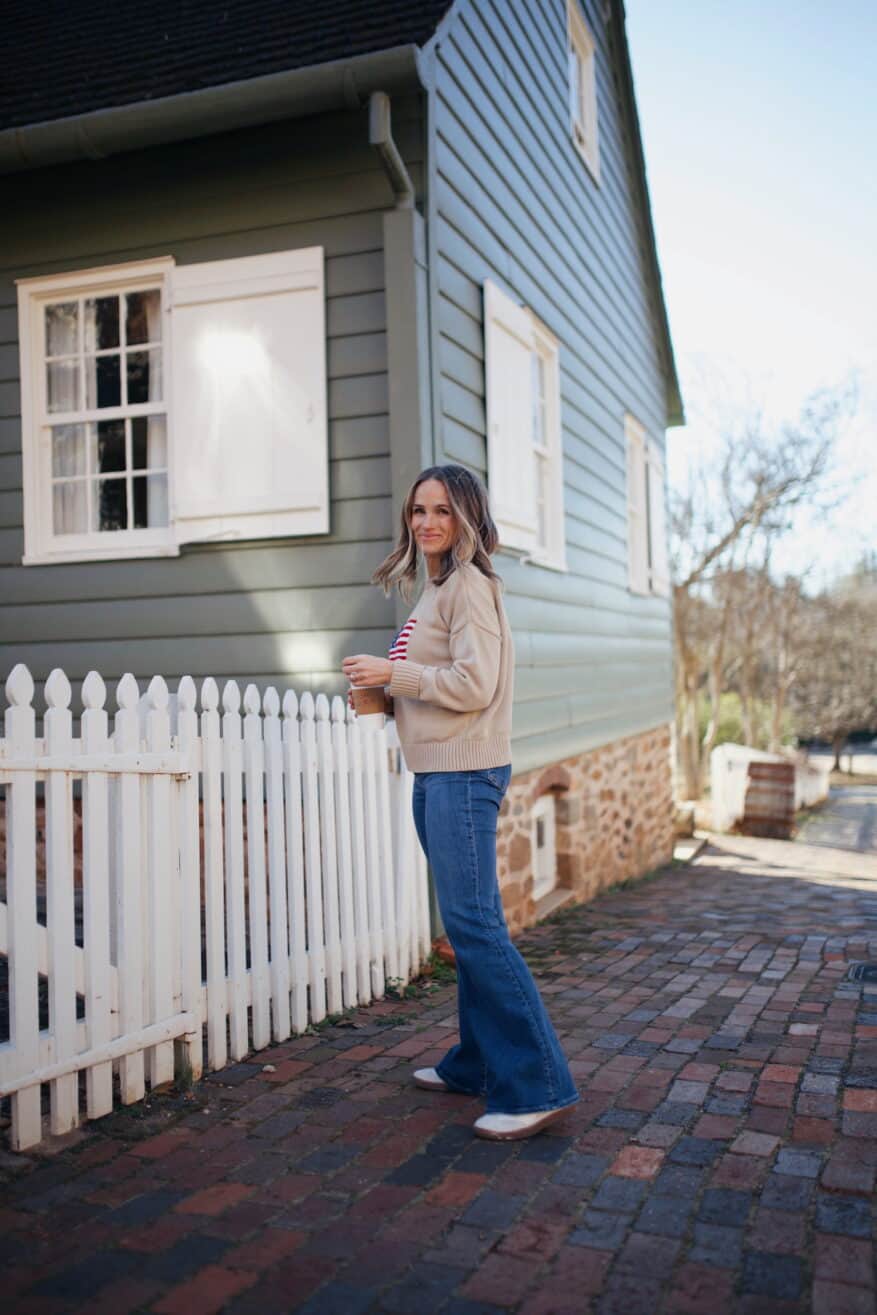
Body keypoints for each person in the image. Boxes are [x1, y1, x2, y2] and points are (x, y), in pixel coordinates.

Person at [342, 464, 579, 1140]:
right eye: (418, 510)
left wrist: (395, 673)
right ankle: (477, 1062)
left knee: (475, 929)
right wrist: (386, 693)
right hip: (440, 771)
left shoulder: (469, 585)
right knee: (469, 924)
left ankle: (538, 1086)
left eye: (442, 510)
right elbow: (442, 679)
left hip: (462, 773)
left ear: (467, 516)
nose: (427, 522)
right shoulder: (439, 587)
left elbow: (475, 683)